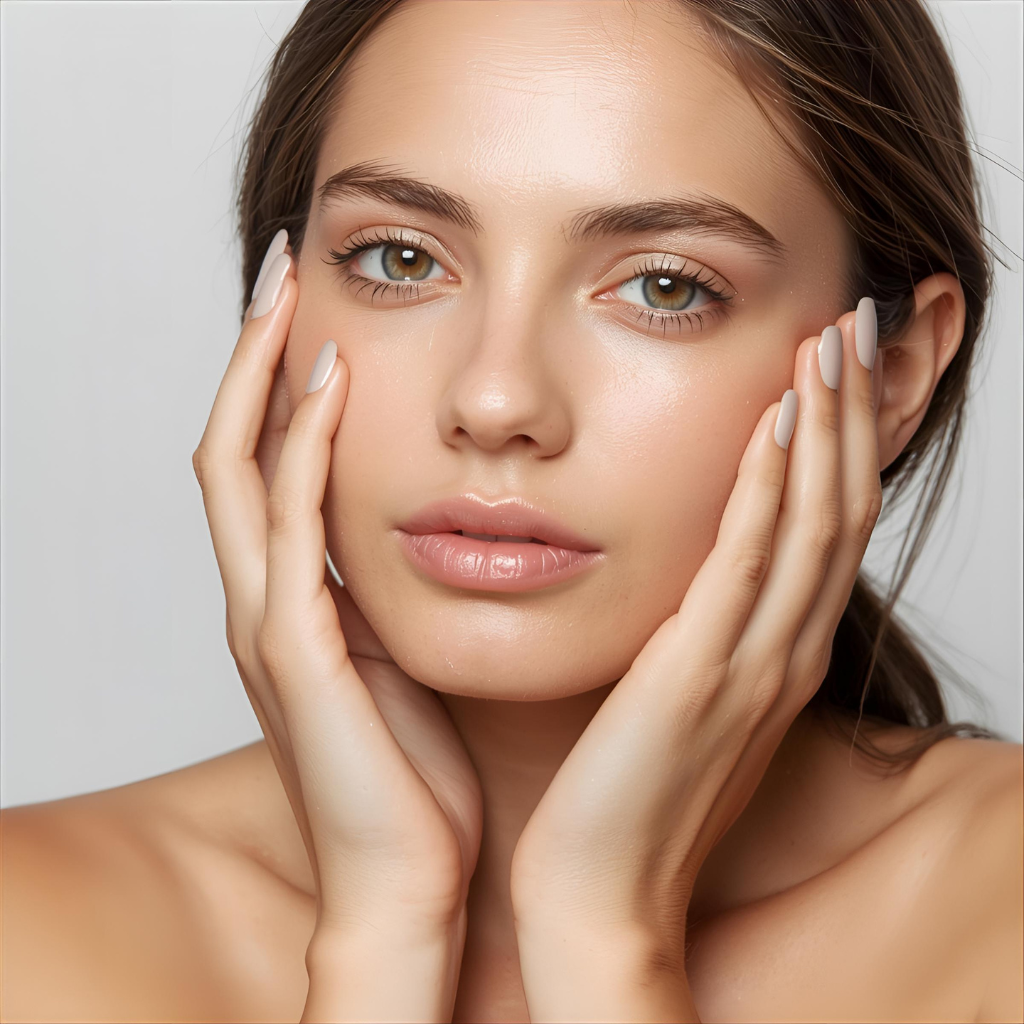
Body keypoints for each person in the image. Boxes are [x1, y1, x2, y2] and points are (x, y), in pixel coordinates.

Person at [2, 1, 1021, 1021]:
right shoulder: (33, 926)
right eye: (399, 259)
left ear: (889, 374)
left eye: (665, 286)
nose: (494, 402)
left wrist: (604, 939)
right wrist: (381, 936)